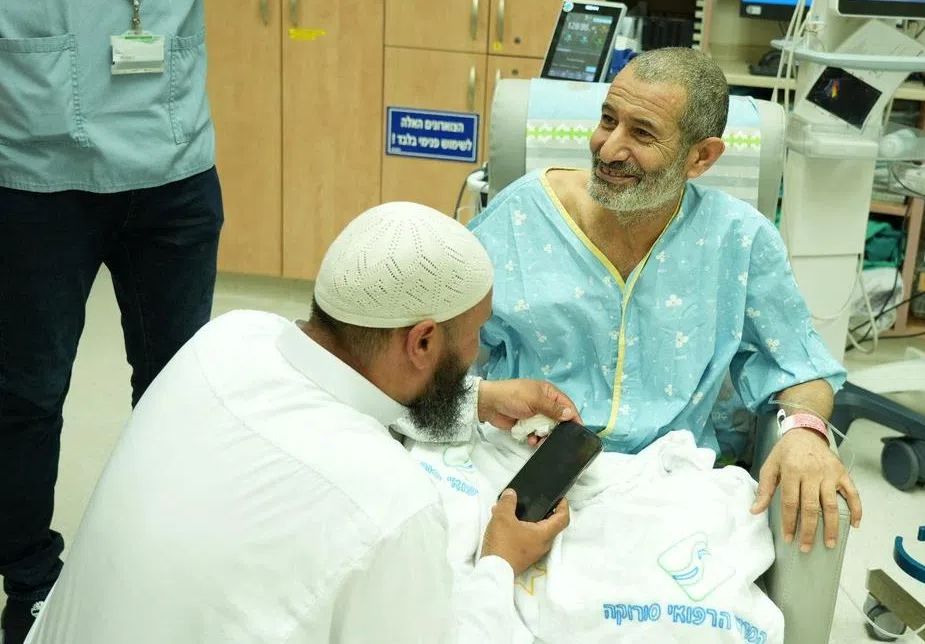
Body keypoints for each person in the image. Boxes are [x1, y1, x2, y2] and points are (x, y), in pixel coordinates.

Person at [0, 0, 335, 641]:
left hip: (175, 163)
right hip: (38, 165)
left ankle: (175, 562)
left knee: (182, 388)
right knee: (27, 396)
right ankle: (29, 581)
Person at [25, 202, 582, 643]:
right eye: (472, 340)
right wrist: (498, 562)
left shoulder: (227, 337)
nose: (478, 354)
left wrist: (474, 399)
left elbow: (336, 390)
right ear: (423, 340)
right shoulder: (392, 500)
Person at [469, 47, 864, 554]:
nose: (608, 149)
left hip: (666, 488)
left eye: (642, 133)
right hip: (520, 467)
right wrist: (480, 398)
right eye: (607, 120)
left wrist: (806, 433)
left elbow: (798, 363)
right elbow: (436, 341)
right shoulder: (523, 215)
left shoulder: (737, 240)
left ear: (701, 157)